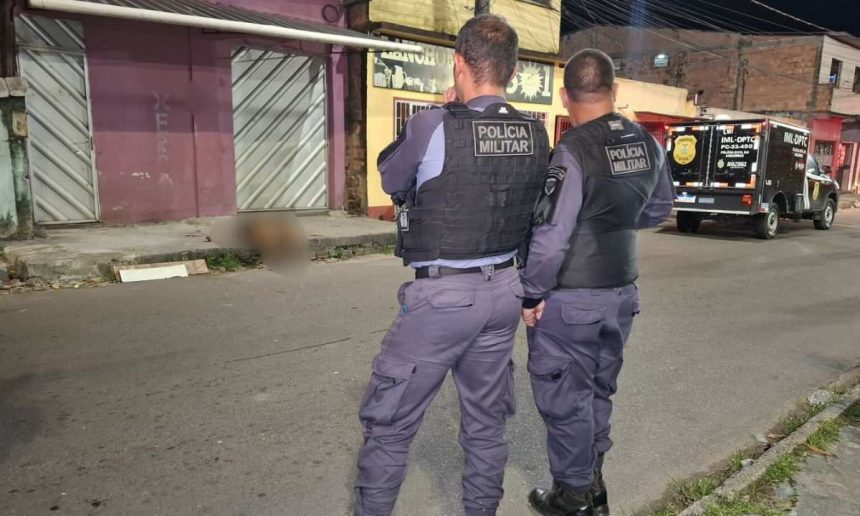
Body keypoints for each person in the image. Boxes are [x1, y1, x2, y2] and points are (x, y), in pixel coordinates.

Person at [353, 15, 550, 516]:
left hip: (443, 297)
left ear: (459, 63)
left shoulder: (432, 124)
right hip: (505, 291)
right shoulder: (535, 132)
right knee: (485, 424)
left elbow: (391, 178)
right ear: (512, 70)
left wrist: (447, 114)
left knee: (391, 424)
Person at [520, 49, 675, 516]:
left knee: (565, 398)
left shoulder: (573, 149)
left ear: (566, 96)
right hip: (621, 293)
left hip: (571, 297)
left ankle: (573, 498)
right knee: (597, 391)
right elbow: (658, 209)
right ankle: (594, 482)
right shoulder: (647, 142)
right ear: (615, 91)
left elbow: (549, 239)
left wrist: (531, 293)